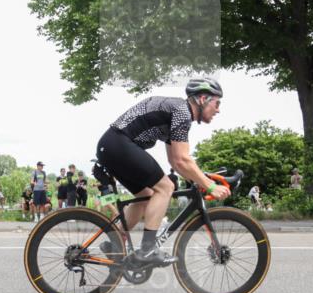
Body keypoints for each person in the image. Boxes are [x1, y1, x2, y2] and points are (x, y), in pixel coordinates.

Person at [95, 77, 230, 265]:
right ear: (202, 99)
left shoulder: (177, 112)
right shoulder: (182, 112)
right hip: (117, 144)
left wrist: (200, 178)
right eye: (217, 103)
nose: (218, 109)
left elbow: (175, 161)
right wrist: (210, 186)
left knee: (147, 196)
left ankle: (115, 243)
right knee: (165, 187)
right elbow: (182, 159)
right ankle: (148, 250)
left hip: (112, 145)